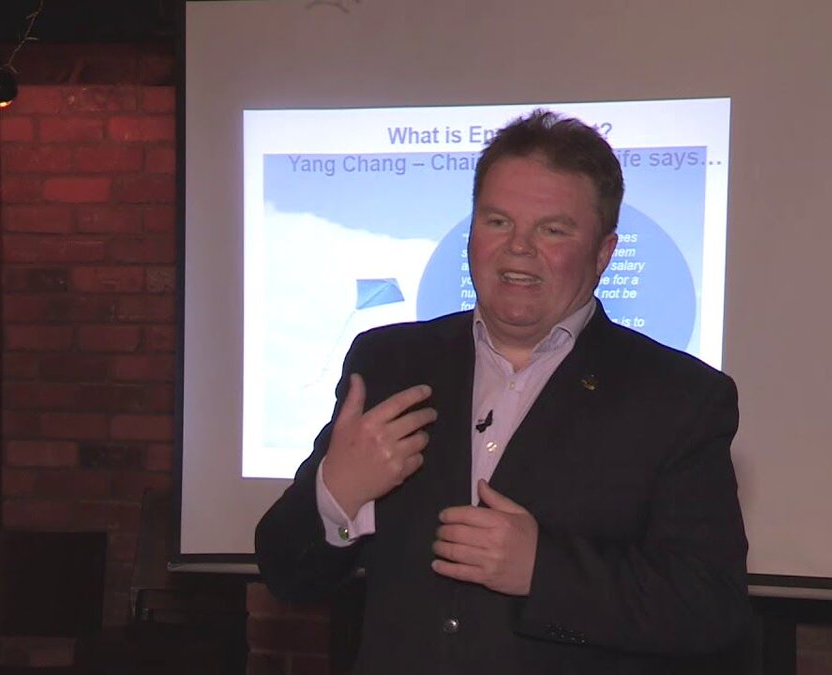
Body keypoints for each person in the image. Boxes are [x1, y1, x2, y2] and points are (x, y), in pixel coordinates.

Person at [255, 109, 750, 674]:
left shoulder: (679, 399)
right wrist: (337, 494)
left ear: (604, 254)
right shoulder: (389, 362)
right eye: (497, 221)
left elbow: (710, 609)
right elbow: (287, 573)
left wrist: (543, 573)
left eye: (553, 230)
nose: (519, 248)